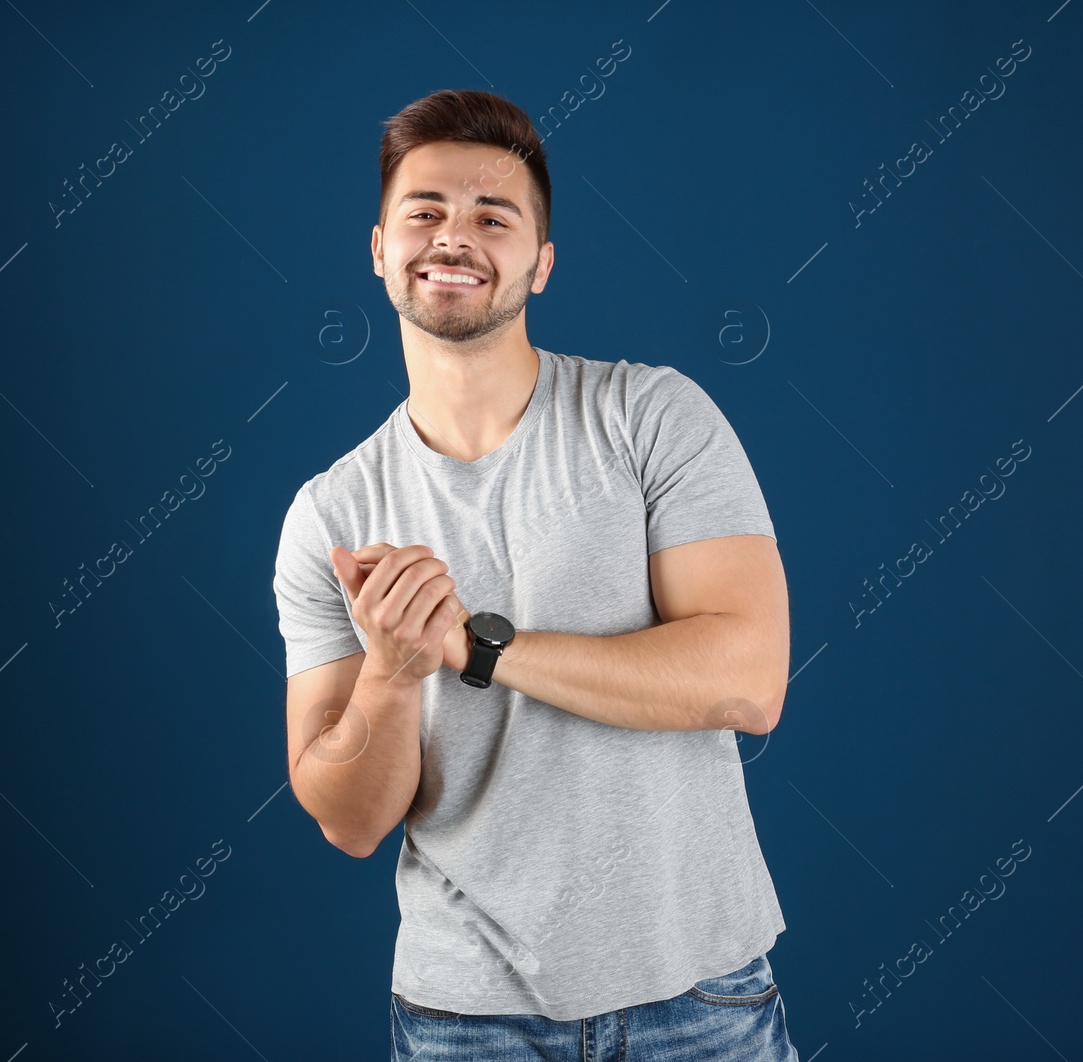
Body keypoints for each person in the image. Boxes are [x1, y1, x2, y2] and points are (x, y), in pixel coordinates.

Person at [273, 88, 798, 1061]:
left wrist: (474, 646)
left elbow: (747, 678)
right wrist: (390, 674)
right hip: (462, 1022)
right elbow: (347, 822)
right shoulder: (331, 515)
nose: (453, 237)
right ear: (379, 248)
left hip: (698, 1003)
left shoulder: (651, 418)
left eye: (492, 216)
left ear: (541, 263)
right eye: (424, 211)